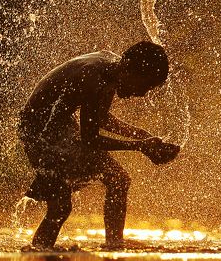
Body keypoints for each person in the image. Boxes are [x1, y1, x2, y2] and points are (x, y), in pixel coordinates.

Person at [18, 41, 180, 249]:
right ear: (129, 68)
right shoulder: (94, 78)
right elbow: (90, 139)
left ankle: (113, 242)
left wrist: (142, 135)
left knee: (115, 180)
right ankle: (42, 251)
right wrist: (140, 146)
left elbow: (100, 117)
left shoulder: (111, 68)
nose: (141, 94)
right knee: (61, 205)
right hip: (37, 130)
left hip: (59, 126)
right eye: (144, 85)